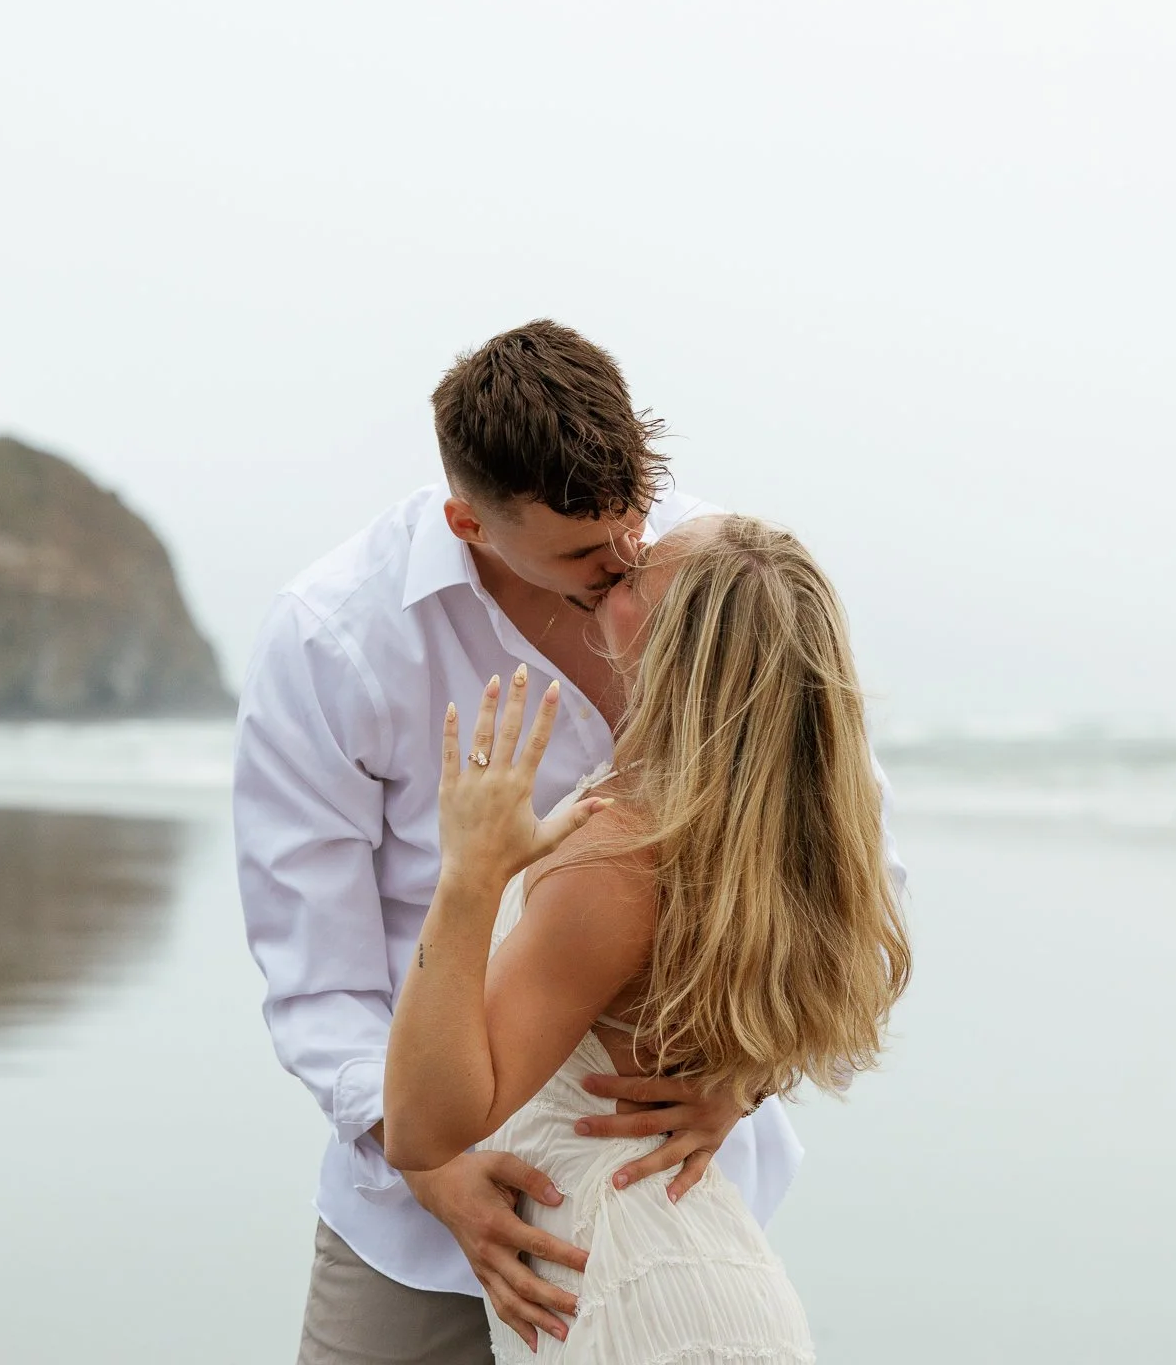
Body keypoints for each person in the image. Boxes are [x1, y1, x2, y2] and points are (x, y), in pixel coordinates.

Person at [234, 321, 904, 1362]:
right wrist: (429, 1167)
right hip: (417, 1211)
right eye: (588, 558)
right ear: (469, 523)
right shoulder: (337, 638)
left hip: (659, 1194)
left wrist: (749, 1078)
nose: (623, 563)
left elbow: (841, 862)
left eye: (637, 523)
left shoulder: (710, 586)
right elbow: (315, 972)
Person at [384, 515, 911, 1360]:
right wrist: (747, 1085)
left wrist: (468, 879)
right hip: (681, 1277)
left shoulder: (618, 861)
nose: (620, 562)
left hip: (632, 1295)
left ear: (675, 649)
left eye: (639, 573)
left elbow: (419, 1128)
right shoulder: (742, 844)